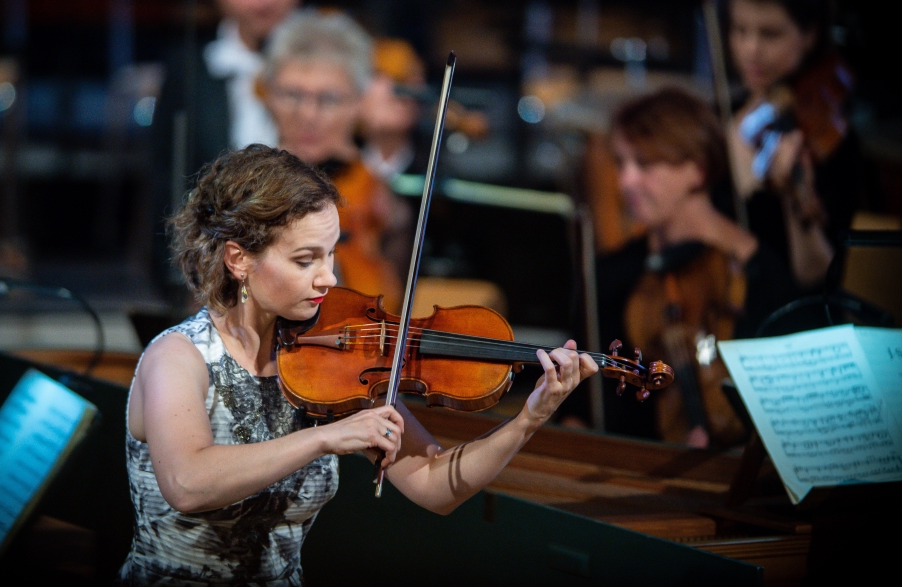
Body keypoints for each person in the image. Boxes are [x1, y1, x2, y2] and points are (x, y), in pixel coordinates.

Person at [118, 144, 596, 585]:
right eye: (305, 260)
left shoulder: (331, 365)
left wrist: (528, 418)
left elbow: (437, 486)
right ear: (239, 259)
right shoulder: (178, 356)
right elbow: (187, 483)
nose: (328, 277)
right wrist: (325, 437)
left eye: (331, 254)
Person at [595, 87, 796, 449]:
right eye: (621, 164)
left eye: (644, 164)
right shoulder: (615, 272)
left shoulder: (761, 275)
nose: (625, 181)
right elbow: (588, 404)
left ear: (697, 170)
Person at [259, 9, 412, 311]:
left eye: (328, 99)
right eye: (292, 95)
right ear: (268, 96)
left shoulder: (379, 199)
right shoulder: (246, 191)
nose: (308, 114)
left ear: (358, 102)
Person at [148, 0, 299, 307]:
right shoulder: (190, 67)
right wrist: (184, 276)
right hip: (217, 272)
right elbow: (168, 176)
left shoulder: (328, 60)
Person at [724, 0, 871, 290]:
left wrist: (796, 204)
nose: (750, 49)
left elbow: (820, 280)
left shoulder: (829, 142)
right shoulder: (724, 113)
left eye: (770, 34)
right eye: (739, 30)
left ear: (809, 35)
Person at [358, 38, 428, 183]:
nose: (400, 91)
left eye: (407, 79)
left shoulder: (435, 170)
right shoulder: (336, 167)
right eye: (381, 75)